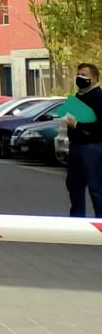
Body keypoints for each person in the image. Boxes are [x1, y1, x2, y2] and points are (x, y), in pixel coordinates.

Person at [64, 62, 102, 218]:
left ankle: (99, 221)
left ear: (94, 78)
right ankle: (77, 220)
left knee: (96, 187)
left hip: (92, 147)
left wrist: (78, 124)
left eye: (84, 75)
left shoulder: (98, 97)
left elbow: (100, 126)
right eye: (78, 74)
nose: (80, 77)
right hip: (76, 147)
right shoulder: (79, 96)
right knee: (74, 186)